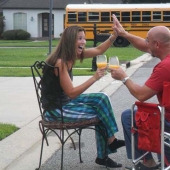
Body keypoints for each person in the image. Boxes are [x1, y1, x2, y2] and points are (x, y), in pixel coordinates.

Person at [41, 25, 125, 168]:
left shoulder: (71, 55)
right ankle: (103, 155)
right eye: (80, 39)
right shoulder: (60, 62)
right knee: (100, 113)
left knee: (102, 98)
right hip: (55, 110)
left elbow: (99, 50)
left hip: (65, 102)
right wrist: (94, 78)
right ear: (69, 40)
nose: (83, 42)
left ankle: (111, 141)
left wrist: (113, 36)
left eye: (84, 39)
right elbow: (72, 92)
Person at [110, 14, 170, 170]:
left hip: (168, 121)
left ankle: (146, 162)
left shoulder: (164, 67)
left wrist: (124, 77)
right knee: (131, 115)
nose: (146, 43)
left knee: (129, 116)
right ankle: (148, 161)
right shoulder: (165, 49)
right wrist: (123, 34)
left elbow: (141, 95)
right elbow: (146, 46)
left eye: (148, 40)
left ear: (156, 44)